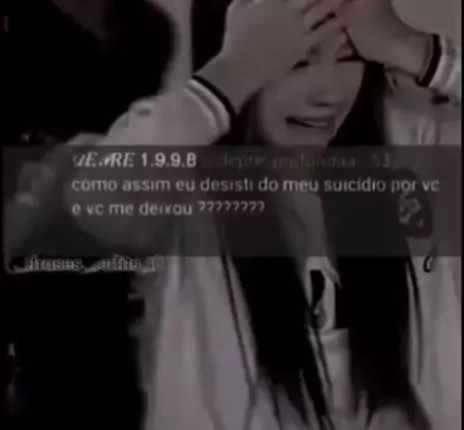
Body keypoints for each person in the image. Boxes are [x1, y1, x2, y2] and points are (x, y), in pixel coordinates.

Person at [13, 0, 460, 429]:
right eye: (296, 61)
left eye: (349, 56)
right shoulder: (188, 176)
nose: (327, 91)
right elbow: (99, 202)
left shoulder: (406, 150)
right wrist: (233, 73)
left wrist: (414, 49)